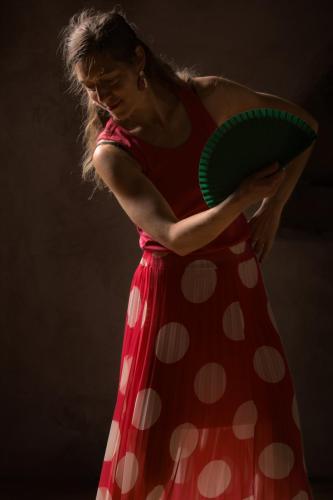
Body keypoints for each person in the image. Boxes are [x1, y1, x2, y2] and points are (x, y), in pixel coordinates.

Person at [59, 6, 316, 500]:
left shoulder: (210, 97)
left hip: (236, 281)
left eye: (109, 80)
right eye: (89, 87)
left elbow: (303, 127)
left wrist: (273, 208)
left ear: (139, 60)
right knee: (158, 437)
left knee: (266, 424)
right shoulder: (112, 153)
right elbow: (175, 237)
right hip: (168, 296)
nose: (100, 98)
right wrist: (242, 199)